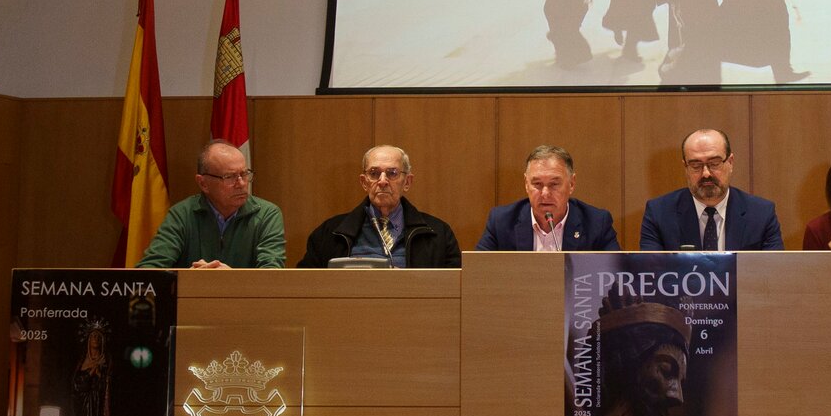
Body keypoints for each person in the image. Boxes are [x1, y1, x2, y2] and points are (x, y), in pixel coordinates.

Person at [298, 145, 460, 268]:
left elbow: (456, 287)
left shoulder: (438, 233)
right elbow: (305, 285)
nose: (382, 181)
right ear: (364, 182)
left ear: (407, 182)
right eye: (374, 174)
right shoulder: (330, 233)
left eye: (392, 173)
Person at [138, 140, 284, 269]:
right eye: (230, 177)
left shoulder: (266, 214)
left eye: (244, 174)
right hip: (192, 299)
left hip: (243, 300)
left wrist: (232, 279)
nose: (241, 183)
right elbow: (149, 271)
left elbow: (272, 275)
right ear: (203, 183)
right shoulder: (182, 214)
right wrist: (190, 279)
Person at [639, 128, 783, 250]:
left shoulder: (761, 213)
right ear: (686, 167)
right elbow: (652, 274)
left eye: (714, 163)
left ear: (730, 162)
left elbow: (774, 273)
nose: (706, 173)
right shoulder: (659, 213)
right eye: (696, 165)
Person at [475, 144, 619, 251]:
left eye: (554, 184)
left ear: (571, 184)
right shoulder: (502, 221)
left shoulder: (596, 223)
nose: (545, 193)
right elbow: (477, 274)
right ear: (526, 184)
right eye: (537, 184)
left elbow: (616, 277)